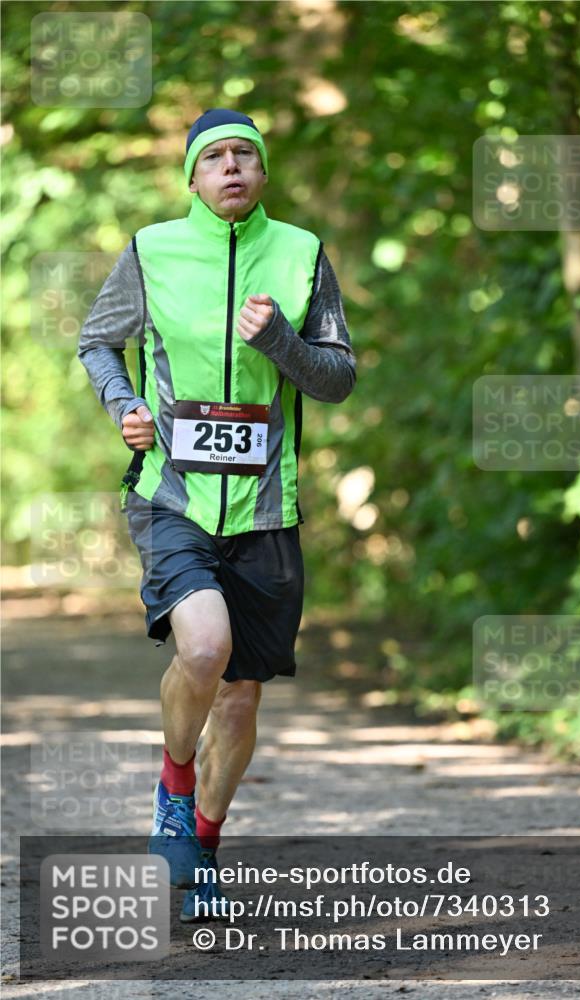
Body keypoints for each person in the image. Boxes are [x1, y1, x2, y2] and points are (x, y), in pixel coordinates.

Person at [77, 108, 356, 922]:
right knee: (203, 647)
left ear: (262, 174)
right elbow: (98, 341)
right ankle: (173, 792)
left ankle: (202, 846)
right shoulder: (151, 250)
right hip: (173, 495)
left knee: (238, 697)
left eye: (245, 155)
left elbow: (336, 378)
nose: (231, 166)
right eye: (215, 157)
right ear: (192, 179)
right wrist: (125, 404)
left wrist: (279, 342)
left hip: (267, 508)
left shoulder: (301, 254)